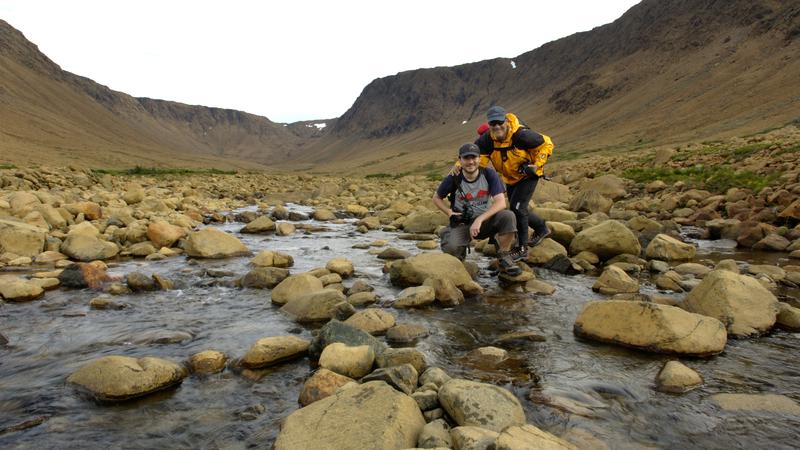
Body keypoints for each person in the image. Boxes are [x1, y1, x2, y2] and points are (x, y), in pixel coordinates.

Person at [473, 106, 554, 261]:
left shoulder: (521, 135)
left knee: (518, 208)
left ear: (505, 121)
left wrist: (537, 165)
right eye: (493, 123)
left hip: (528, 174)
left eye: (499, 122)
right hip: (510, 177)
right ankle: (542, 228)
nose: (496, 126)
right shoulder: (487, 139)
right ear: (489, 125)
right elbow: (474, 159)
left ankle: (521, 249)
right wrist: (458, 175)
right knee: (517, 208)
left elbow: (547, 143)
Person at [433, 143, 521, 276]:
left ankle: (504, 256)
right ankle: (457, 249)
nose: (470, 162)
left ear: (479, 159)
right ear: (460, 160)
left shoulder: (489, 174)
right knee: (451, 248)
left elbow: (501, 202)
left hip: (485, 222)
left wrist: (479, 219)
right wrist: (449, 212)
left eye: (473, 158)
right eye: (466, 158)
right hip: (462, 224)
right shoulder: (453, 177)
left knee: (508, 216)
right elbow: (436, 198)